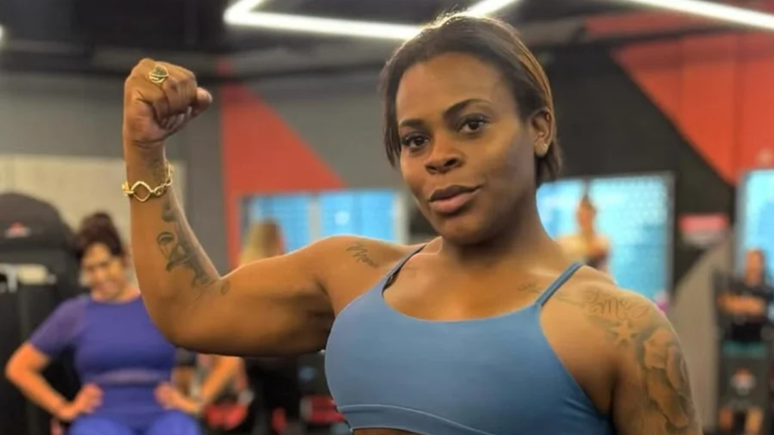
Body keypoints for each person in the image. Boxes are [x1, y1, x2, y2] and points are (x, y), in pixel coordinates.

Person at [120, 13, 701, 435]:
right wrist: (144, 150)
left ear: (539, 128)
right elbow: (189, 310)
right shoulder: (352, 276)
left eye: (471, 124)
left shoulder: (621, 331)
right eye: (415, 139)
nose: (438, 156)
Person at [4, 212, 241, 435]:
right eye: (90, 269)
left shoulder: (160, 308)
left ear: (124, 259)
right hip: (101, 420)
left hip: (163, 416)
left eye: (105, 264)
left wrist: (197, 402)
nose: (100, 276)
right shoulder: (74, 314)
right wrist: (62, 407)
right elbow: (19, 367)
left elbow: (228, 360)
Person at [557, 192, 610, 272]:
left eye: (587, 214)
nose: (583, 217)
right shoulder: (564, 241)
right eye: (580, 214)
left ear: (593, 214)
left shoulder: (602, 241)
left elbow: (602, 267)